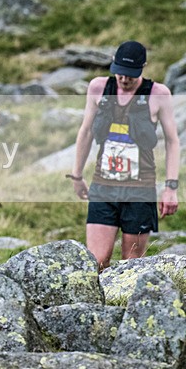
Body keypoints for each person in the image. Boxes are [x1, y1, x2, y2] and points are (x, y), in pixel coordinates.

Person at [70, 40, 179, 270]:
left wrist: (171, 187)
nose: (124, 78)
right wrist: (77, 175)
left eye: (130, 74)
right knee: (97, 261)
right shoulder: (98, 87)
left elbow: (172, 141)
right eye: (120, 72)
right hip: (103, 186)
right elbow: (86, 131)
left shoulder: (158, 94)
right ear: (113, 63)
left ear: (143, 67)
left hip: (140, 189)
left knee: (131, 265)